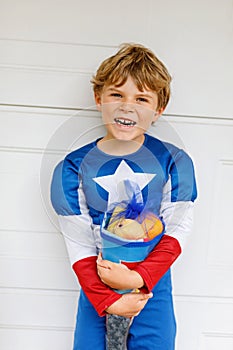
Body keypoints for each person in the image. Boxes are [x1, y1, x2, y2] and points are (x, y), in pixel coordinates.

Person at [50, 43, 197, 350]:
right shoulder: (72, 167)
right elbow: (78, 243)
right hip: (97, 282)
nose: (127, 107)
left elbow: (178, 229)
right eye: (117, 94)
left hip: (152, 285)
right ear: (98, 98)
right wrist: (106, 299)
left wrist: (138, 279)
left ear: (158, 109)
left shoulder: (175, 161)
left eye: (141, 99)